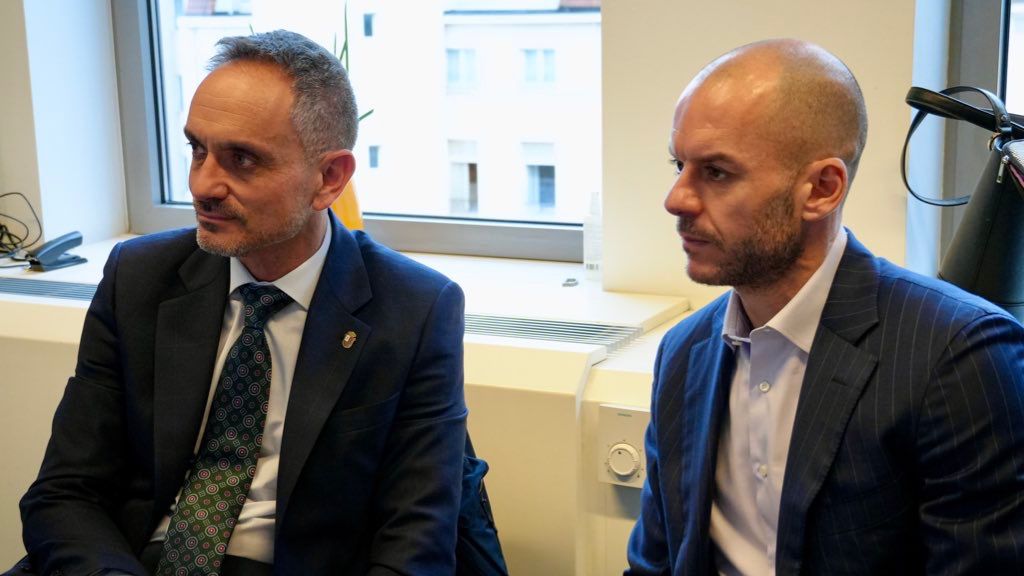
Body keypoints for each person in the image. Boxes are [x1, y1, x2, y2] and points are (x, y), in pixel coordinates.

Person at [16, 30, 467, 575]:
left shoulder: (414, 309)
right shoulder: (139, 276)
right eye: (197, 149)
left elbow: (417, 542)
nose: (203, 184)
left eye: (243, 160)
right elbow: (65, 492)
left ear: (329, 178)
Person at [625, 39, 1024, 576]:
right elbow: (653, 564)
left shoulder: (958, 357)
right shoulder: (683, 351)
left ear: (821, 189)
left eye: (716, 172)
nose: (676, 198)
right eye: (679, 164)